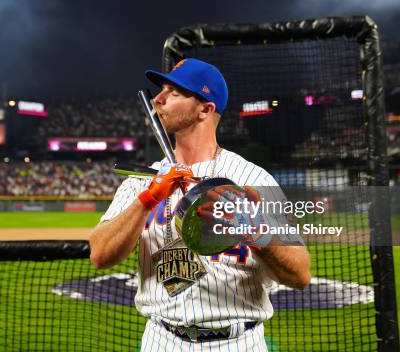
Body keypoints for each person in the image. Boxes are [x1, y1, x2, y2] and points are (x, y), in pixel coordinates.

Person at [90, 58, 310, 351]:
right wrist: (146, 201)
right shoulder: (142, 181)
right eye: (161, 90)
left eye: (175, 92)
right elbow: (100, 254)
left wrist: (253, 230)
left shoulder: (252, 179)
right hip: (162, 339)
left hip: (237, 341)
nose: (158, 98)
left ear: (205, 109)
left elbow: (299, 274)